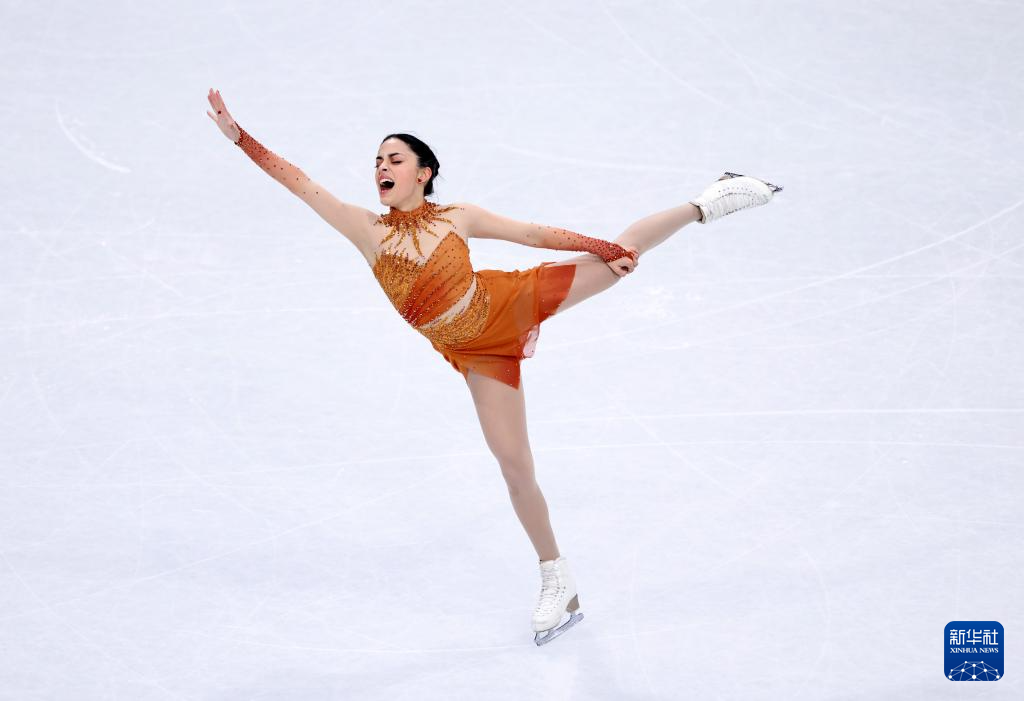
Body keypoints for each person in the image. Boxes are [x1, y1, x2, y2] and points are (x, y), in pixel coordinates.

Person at [206, 88, 782, 646]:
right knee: (514, 465)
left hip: (509, 302)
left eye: (395, 159)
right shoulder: (366, 230)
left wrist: (600, 248)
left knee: (621, 257)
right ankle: (558, 578)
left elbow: (530, 234)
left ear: (424, 173)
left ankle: (709, 201)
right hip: (477, 355)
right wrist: (240, 138)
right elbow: (300, 183)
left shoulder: (457, 216)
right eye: (377, 160)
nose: (382, 167)